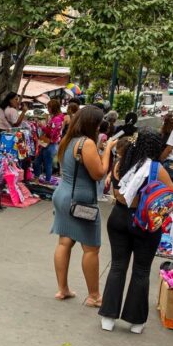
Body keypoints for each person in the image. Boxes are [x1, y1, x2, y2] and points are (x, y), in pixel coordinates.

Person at [98, 128, 173, 333]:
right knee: (141, 271)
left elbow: (114, 189)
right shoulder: (156, 169)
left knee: (117, 266)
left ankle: (108, 317)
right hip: (145, 223)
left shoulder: (119, 164)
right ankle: (136, 322)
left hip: (118, 217)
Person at [51, 105, 114, 306]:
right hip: (80, 201)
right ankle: (94, 296)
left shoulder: (67, 140)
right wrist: (109, 150)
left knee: (64, 242)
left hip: (63, 194)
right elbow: (99, 173)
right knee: (91, 249)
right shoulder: (86, 143)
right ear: (92, 123)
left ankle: (63, 289)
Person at [35, 98, 65, 184]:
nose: (48, 109)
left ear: (53, 108)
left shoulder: (57, 119)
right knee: (40, 161)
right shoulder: (57, 118)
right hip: (49, 144)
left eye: (48, 107)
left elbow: (51, 132)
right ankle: (39, 179)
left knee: (46, 163)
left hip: (50, 144)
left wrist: (42, 126)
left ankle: (47, 181)